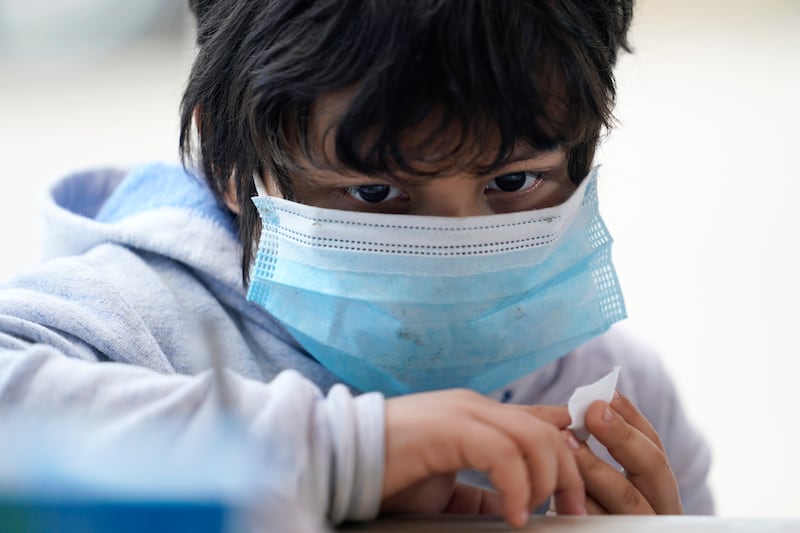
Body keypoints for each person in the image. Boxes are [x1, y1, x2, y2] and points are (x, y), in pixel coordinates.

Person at [0, 0, 713, 528]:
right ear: (226, 163)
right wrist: (347, 453)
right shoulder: (131, 325)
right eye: (376, 192)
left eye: (513, 181)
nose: (454, 257)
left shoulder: (619, 406)